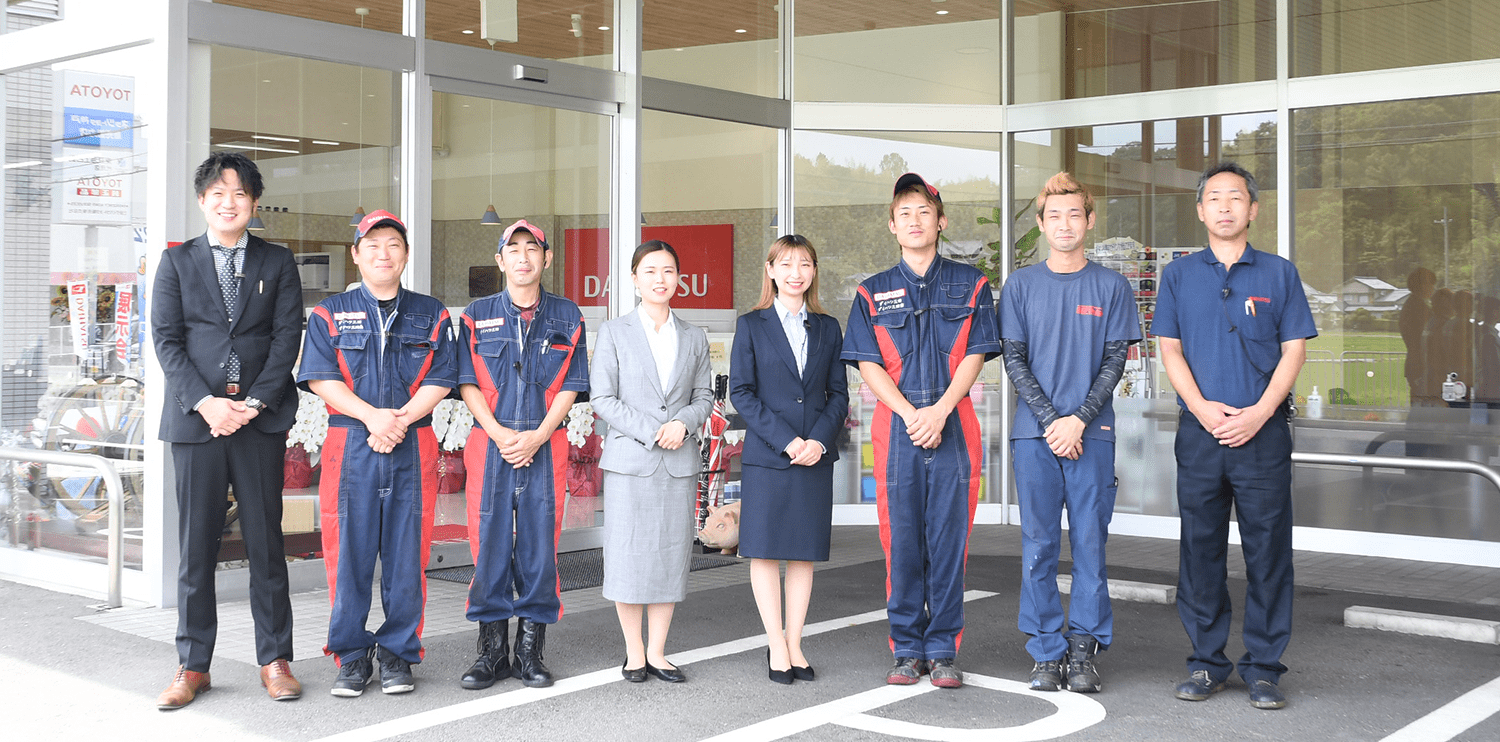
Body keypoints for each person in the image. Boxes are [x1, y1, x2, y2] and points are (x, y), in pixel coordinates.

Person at [1153, 162, 1315, 710]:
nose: (1225, 206)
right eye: (1214, 198)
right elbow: (1169, 348)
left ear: (1253, 209)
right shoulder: (1178, 275)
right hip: (1200, 434)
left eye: (1235, 197)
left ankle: (1265, 668)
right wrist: (1201, 409)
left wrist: (1260, 412)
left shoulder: (1279, 273)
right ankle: (1206, 662)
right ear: (1200, 211)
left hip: (1263, 435)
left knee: (1268, 552)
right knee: (1200, 551)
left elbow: (1295, 348)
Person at [151, 152, 303, 709]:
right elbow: (167, 341)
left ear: (254, 202)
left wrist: (255, 402)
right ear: (202, 201)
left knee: (266, 542)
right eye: (218, 193)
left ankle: (275, 659)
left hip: (258, 422)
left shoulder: (277, 261)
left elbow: (288, 337)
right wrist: (207, 404)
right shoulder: (176, 262)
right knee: (197, 548)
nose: (229, 202)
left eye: (239, 193)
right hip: (198, 423)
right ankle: (193, 666)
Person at [840, 173, 1001, 688]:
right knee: (901, 542)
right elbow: (867, 365)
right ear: (892, 225)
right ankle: (907, 648)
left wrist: (940, 411)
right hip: (895, 434)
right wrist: (913, 415)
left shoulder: (972, 284)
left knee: (950, 544)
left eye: (924, 212)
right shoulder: (871, 293)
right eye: (904, 213)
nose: (914, 220)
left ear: (941, 221)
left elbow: (976, 354)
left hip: (956, 429)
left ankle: (945, 650)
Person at [298, 210, 457, 697]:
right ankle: (350, 656)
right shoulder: (329, 312)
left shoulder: (433, 313)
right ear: (356, 254)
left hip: (413, 439)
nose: (383, 253)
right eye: (373, 245)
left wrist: (400, 419)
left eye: (393, 244)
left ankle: (397, 655)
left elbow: (442, 377)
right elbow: (321, 378)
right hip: (352, 443)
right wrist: (373, 417)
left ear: (406, 254)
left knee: (407, 555)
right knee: (347, 554)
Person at [998, 172, 1141, 694]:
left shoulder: (1111, 285)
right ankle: (1045, 651)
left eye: (1074, 214)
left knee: (1089, 546)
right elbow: (1013, 360)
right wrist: (1051, 421)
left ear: (1090, 220)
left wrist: (1078, 418)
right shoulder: (1020, 286)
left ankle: (1084, 648)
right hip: (1035, 439)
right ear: (1040, 224)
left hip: (1092, 436)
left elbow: (1114, 360)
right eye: (1053, 215)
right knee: (1038, 546)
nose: (1064, 223)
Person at [456, 220, 589, 690]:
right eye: (513, 249)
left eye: (532, 248)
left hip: (545, 444)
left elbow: (572, 385)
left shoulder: (568, 316)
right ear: (500, 260)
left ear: (546, 258)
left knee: (538, 548)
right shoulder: (475, 314)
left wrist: (537, 435)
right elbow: (466, 381)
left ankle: (529, 651)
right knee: (487, 544)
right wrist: (497, 432)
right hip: (488, 445)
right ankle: (490, 653)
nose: (523, 257)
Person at [590, 240, 713, 684]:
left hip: (678, 461)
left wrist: (682, 422)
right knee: (628, 556)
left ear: (679, 278)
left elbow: (704, 396)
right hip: (630, 461)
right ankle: (634, 652)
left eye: (668, 271)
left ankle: (659, 652)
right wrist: (650, 430)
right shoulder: (614, 332)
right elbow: (602, 397)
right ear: (634, 278)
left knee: (668, 557)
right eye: (650, 271)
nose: (660, 279)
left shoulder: (695, 336)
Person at [729, 235, 849, 685]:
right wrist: (788, 441)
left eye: (804, 264)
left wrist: (817, 441)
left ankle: (795, 641)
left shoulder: (828, 327)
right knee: (765, 552)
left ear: (814, 271)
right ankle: (775, 643)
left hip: (814, 458)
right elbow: (741, 391)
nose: (796, 272)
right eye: (786, 263)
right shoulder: (752, 325)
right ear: (771, 270)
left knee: (802, 554)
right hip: (769, 456)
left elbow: (838, 393)